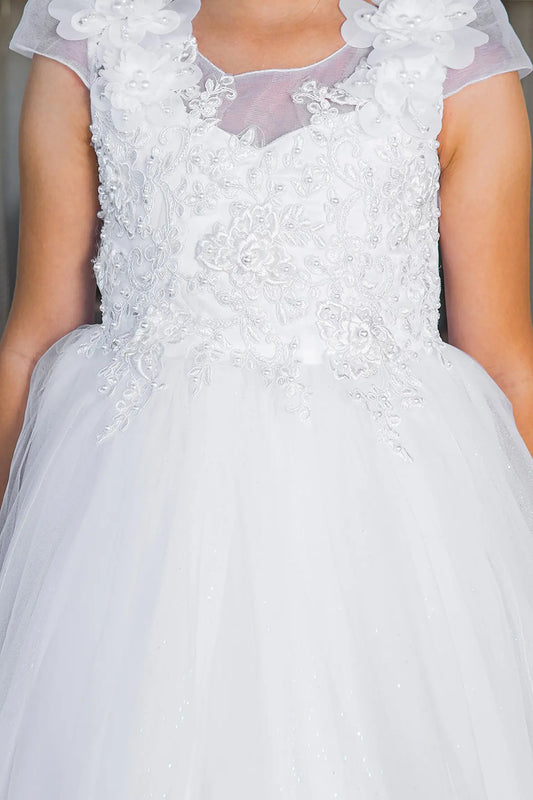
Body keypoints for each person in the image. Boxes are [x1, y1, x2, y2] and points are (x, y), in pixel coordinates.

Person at [1, 0, 533, 795]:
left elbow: (503, 354)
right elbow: (33, 333)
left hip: (389, 522)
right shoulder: (96, 38)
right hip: (133, 526)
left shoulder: (447, 49)